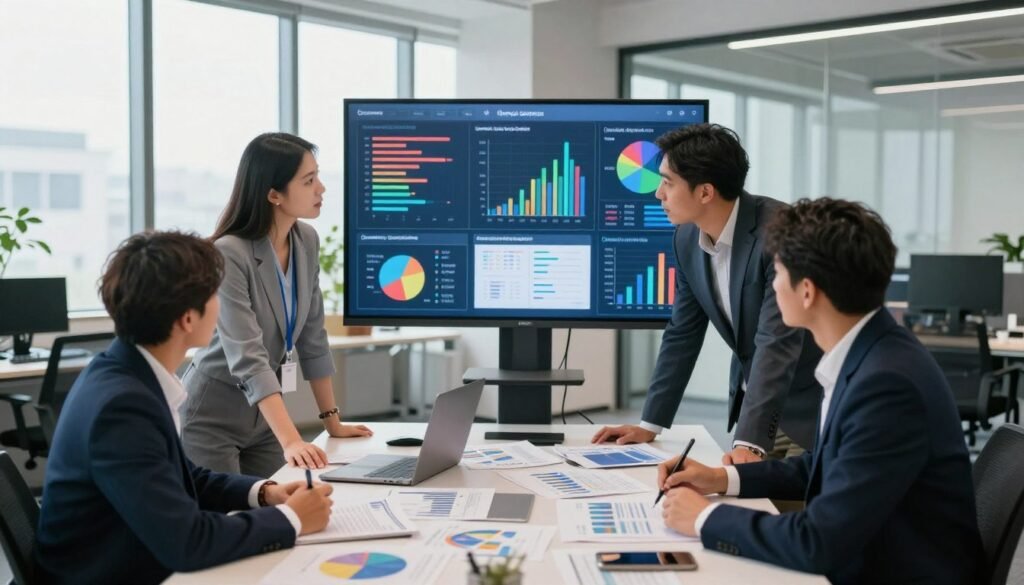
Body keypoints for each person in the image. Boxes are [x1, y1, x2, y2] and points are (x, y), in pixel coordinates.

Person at [656, 198, 983, 584]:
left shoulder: (887, 385)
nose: (771, 285)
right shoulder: (870, 352)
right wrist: (721, 479)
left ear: (807, 292)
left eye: (775, 273)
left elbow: (819, 542)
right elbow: (822, 468)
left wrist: (704, 517)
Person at [35, 231, 336, 585]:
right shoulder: (122, 408)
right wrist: (291, 518)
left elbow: (181, 475)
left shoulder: (125, 373)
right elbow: (188, 542)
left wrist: (263, 493)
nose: (221, 306)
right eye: (215, 295)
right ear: (187, 319)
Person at [593, 124, 822, 463]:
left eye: (668, 182)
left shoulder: (780, 233)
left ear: (705, 193)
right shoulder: (686, 238)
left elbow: (777, 341)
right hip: (756, 403)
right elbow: (682, 332)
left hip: (809, 404)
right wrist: (650, 423)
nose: (658, 194)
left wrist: (750, 441)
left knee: (785, 509)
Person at [182, 133, 371, 478]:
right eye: (309, 180)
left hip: (266, 416)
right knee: (231, 519)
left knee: (286, 509)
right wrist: (291, 441)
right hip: (214, 413)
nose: (322, 189)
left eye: (318, 176)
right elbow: (248, 356)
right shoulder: (229, 253)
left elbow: (313, 335)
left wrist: (333, 421)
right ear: (273, 194)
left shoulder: (306, 241)